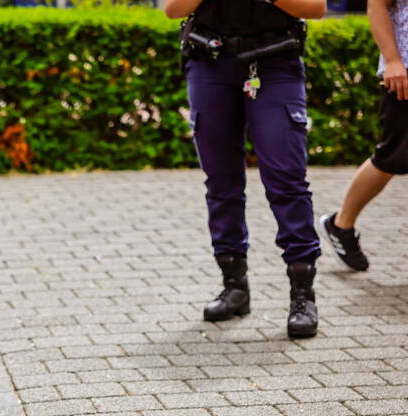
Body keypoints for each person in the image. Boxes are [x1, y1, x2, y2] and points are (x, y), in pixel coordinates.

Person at [164, 0, 327, 338]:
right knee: (222, 182)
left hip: (275, 62)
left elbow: (315, 7)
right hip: (210, 62)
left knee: (286, 179)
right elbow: (172, 8)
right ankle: (234, 287)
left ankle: (302, 296)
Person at [320, 0, 407, 272]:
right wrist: (393, 61)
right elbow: (377, 5)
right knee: (393, 156)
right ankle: (341, 224)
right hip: (404, 74)